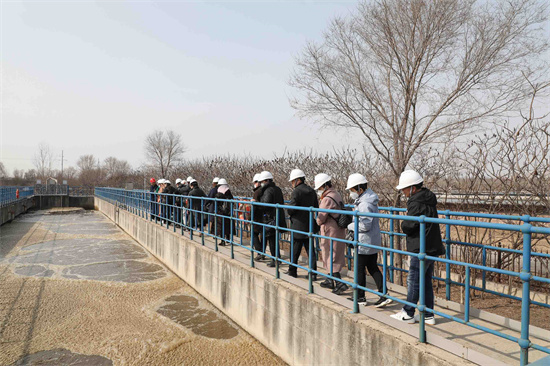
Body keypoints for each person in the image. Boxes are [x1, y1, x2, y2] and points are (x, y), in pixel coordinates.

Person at [390, 170, 445, 324]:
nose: (403, 192)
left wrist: (403, 222)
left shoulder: (416, 202)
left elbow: (409, 225)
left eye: (405, 189)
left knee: (413, 279)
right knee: (425, 280)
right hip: (432, 245)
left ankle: (408, 312)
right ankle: (428, 315)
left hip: (420, 246)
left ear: (413, 188)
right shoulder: (428, 198)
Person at [346, 173, 392, 306]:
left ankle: (360, 297)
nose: (351, 193)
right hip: (371, 240)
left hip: (364, 242)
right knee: (372, 267)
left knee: (359, 269)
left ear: (359, 188)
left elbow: (364, 225)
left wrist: (350, 225)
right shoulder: (367, 199)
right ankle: (384, 294)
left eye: (352, 190)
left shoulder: (365, 203)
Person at [314, 173, 347, 292]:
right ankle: (330, 279)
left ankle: (339, 283)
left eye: (319, 188)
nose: (319, 191)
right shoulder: (336, 194)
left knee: (330, 256)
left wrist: (317, 219)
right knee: (335, 255)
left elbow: (320, 219)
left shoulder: (327, 199)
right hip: (338, 229)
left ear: (325, 186)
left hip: (330, 231)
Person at [286, 169, 318, 279]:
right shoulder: (311, 191)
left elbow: (291, 208)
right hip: (309, 224)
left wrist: (289, 210)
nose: (291, 184)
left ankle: (292, 271)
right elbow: (316, 206)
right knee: (311, 250)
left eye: (292, 181)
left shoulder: (296, 192)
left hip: (298, 225)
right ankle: (313, 273)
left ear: (297, 180)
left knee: (295, 249)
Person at [258, 171, 287, 267]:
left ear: (266, 181)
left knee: (271, 240)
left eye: (262, 181)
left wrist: (258, 204)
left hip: (270, 219)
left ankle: (275, 259)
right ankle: (276, 258)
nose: (261, 183)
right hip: (278, 216)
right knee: (274, 239)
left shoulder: (268, 190)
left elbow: (265, 204)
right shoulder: (277, 189)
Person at [214, 178, 234, 246]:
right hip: (227, 211)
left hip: (220, 211)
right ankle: (228, 239)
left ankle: (222, 240)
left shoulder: (218, 191)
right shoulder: (228, 191)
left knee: (221, 226)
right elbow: (232, 200)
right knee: (227, 225)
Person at [251, 173, 265, 260]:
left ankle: (259, 252)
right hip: (264, 217)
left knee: (254, 234)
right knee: (263, 235)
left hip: (257, 217)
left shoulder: (257, 192)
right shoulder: (264, 190)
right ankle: (262, 252)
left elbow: (255, 206)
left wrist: (250, 217)